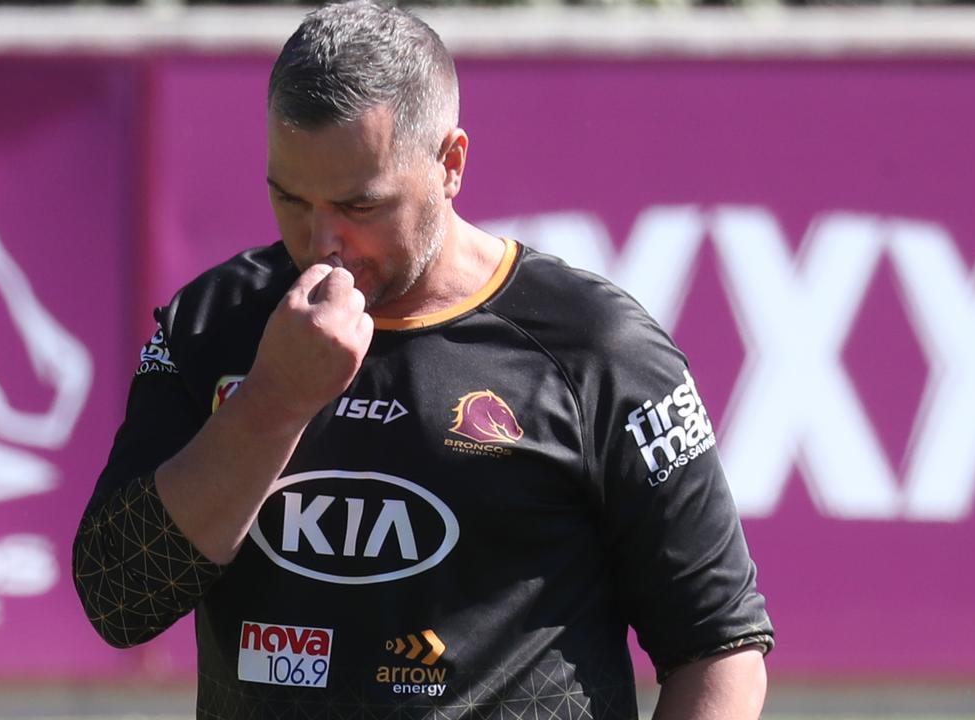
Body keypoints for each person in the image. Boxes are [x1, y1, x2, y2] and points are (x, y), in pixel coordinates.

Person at [72, 1, 773, 717]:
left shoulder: (599, 349)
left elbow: (719, 648)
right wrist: (274, 402)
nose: (322, 242)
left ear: (450, 164)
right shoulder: (212, 324)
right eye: (289, 198)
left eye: (360, 206)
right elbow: (118, 600)